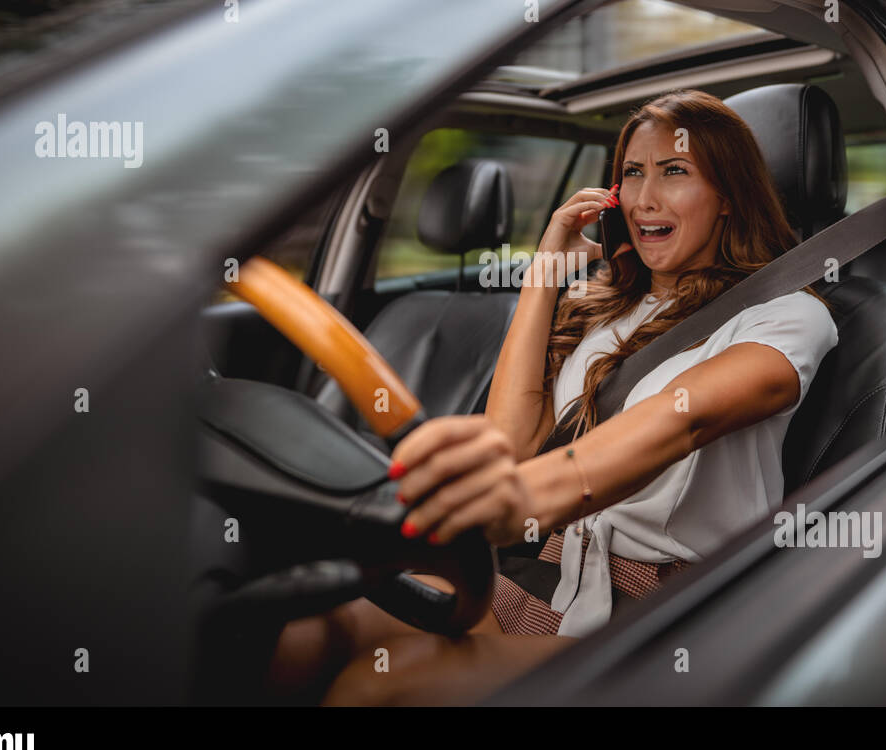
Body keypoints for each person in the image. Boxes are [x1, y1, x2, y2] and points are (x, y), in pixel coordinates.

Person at [265, 88, 839, 705]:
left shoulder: (787, 314)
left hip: (664, 608)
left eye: (674, 172)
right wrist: (544, 272)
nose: (646, 198)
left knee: (380, 685)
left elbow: (685, 418)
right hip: (542, 571)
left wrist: (518, 498)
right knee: (305, 633)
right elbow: (512, 444)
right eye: (632, 174)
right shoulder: (606, 305)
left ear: (728, 197)